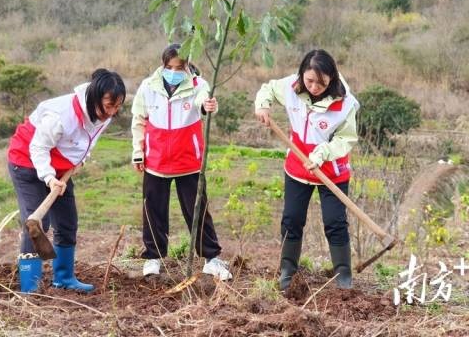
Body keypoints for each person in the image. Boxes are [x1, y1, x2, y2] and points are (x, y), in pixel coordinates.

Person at [8, 68, 126, 293]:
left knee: (67, 222)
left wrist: (82, 159)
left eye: (117, 106)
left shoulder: (103, 115)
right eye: (109, 105)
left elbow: (88, 140)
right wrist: (50, 179)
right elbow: (38, 147)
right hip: (26, 161)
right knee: (37, 224)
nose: (112, 112)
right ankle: (29, 286)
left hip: (61, 168)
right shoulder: (61, 116)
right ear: (94, 98)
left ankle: (63, 278)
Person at [254, 49, 360, 290]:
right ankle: (288, 271)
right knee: (291, 219)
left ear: (331, 79)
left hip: (331, 170)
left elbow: (347, 139)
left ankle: (343, 275)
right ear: (302, 74)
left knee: (335, 222)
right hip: (298, 168)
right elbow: (268, 89)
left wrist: (323, 153)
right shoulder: (291, 87)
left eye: (321, 83)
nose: (313, 87)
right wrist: (263, 105)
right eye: (309, 80)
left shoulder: (345, 104)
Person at [131, 43, 232, 280]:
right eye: (170, 66)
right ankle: (153, 258)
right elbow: (139, 119)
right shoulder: (148, 87)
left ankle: (211, 258)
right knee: (153, 210)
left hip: (189, 161)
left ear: (187, 66)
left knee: (197, 208)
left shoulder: (199, 85)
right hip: (156, 161)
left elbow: (204, 102)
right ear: (163, 65)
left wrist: (209, 105)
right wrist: (138, 151)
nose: (174, 71)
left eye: (180, 67)